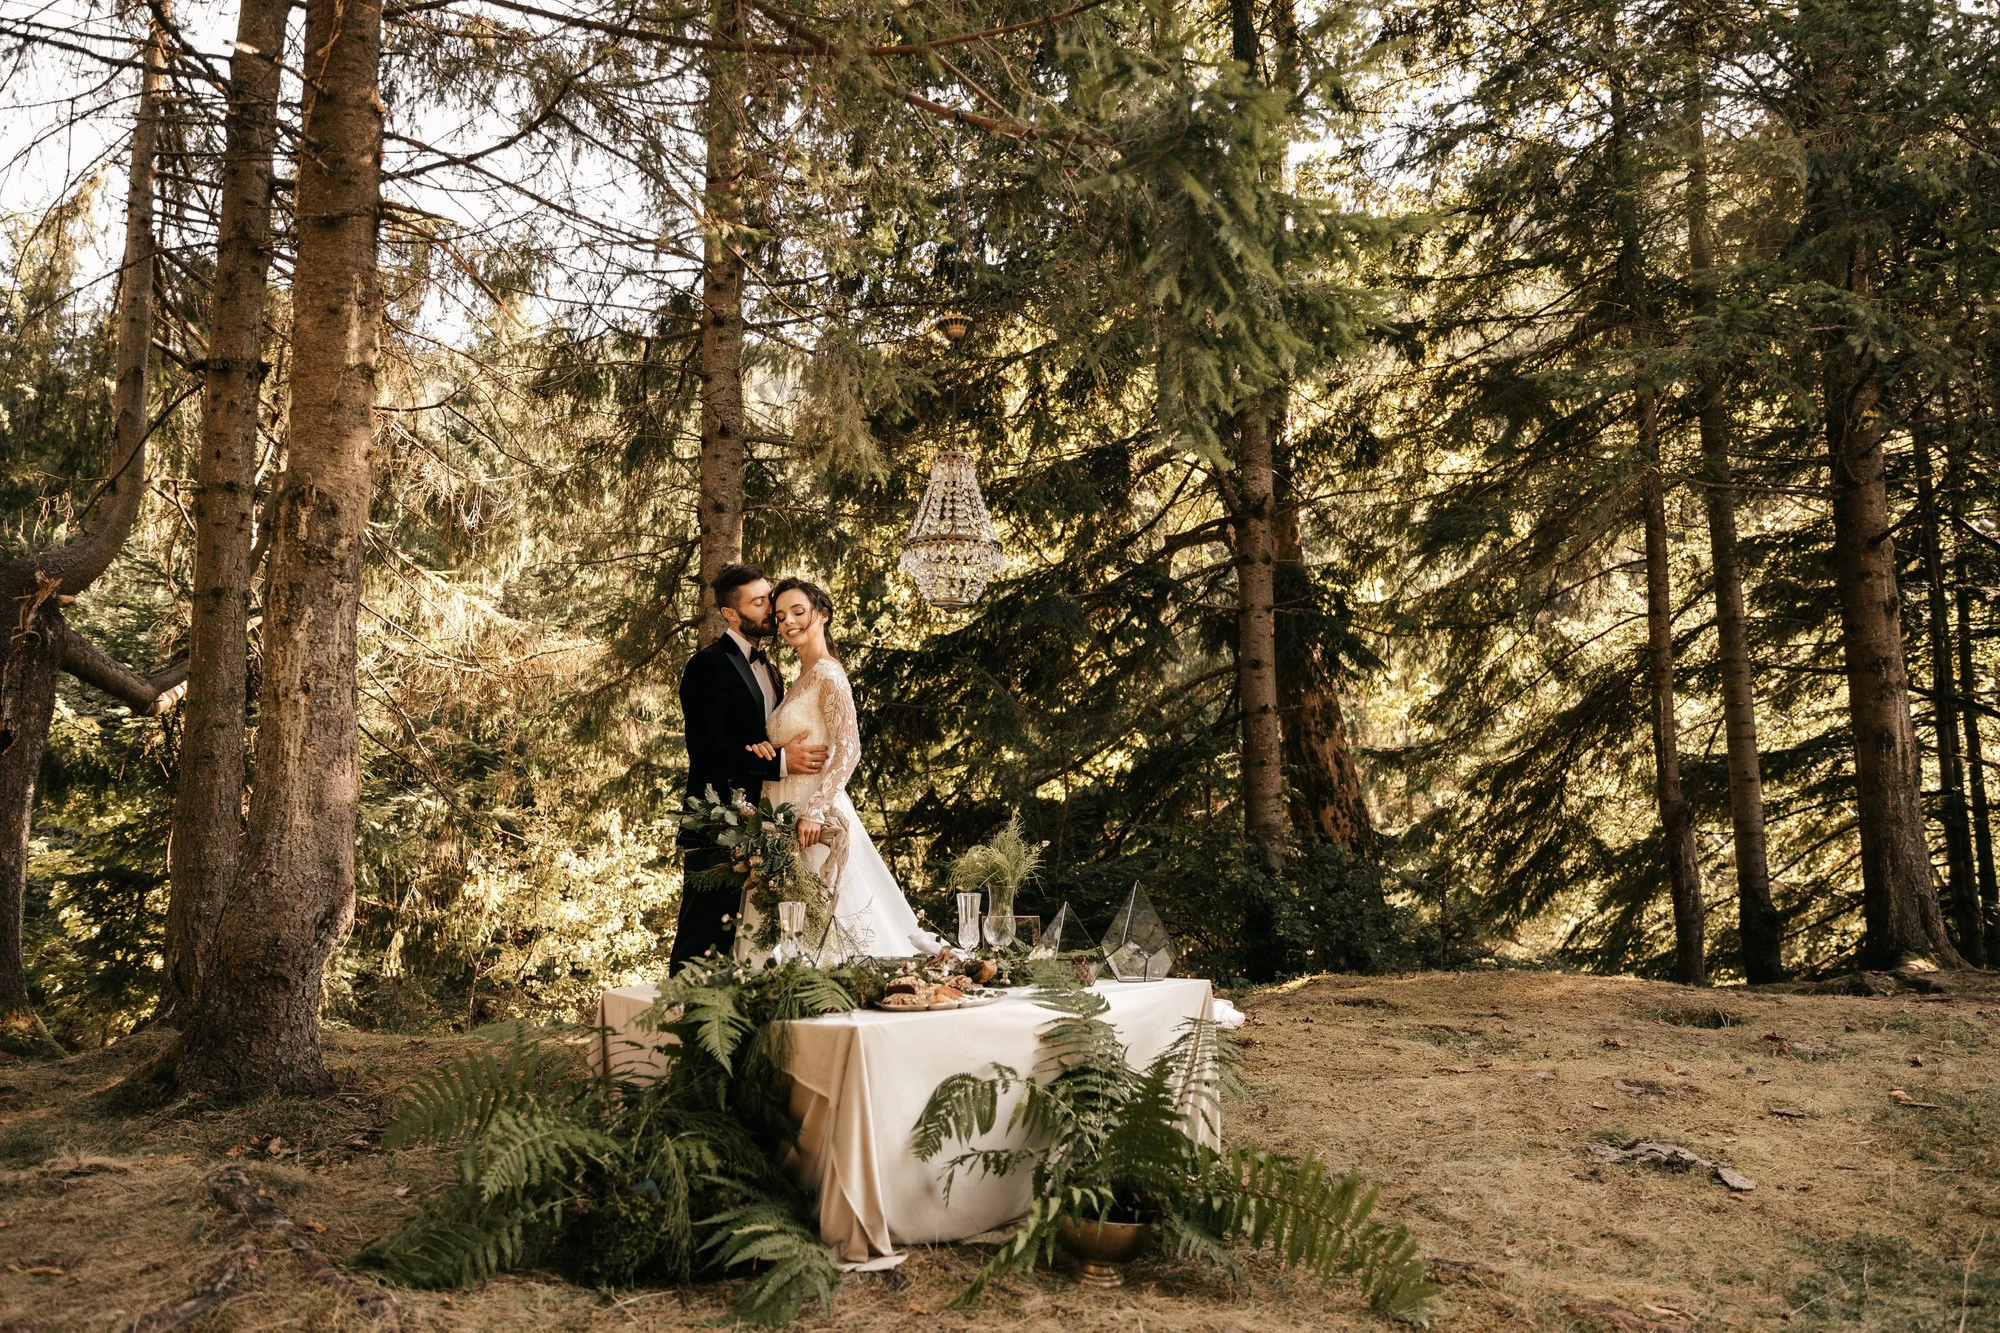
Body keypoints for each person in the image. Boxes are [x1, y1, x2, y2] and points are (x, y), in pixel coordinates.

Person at [743, 577, 927, 959]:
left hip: (813, 815)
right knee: (784, 916)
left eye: (798, 612)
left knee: (824, 912)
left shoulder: (829, 674)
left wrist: (815, 811)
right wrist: (770, 748)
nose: (788, 622)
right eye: (780, 617)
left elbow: (849, 748)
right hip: (781, 811)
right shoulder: (797, 679)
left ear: (822, 615)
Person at [670, 563, 827, 969]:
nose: (770, 609)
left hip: (762, 829)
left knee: (749, 945)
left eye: (768, 598)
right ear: (730, 614)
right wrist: (780, 762)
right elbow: (706, 752)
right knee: (703, 939)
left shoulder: (772, 670)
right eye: (758, 603)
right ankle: (680, 1027)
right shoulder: (706, 665)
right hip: (717, 826)